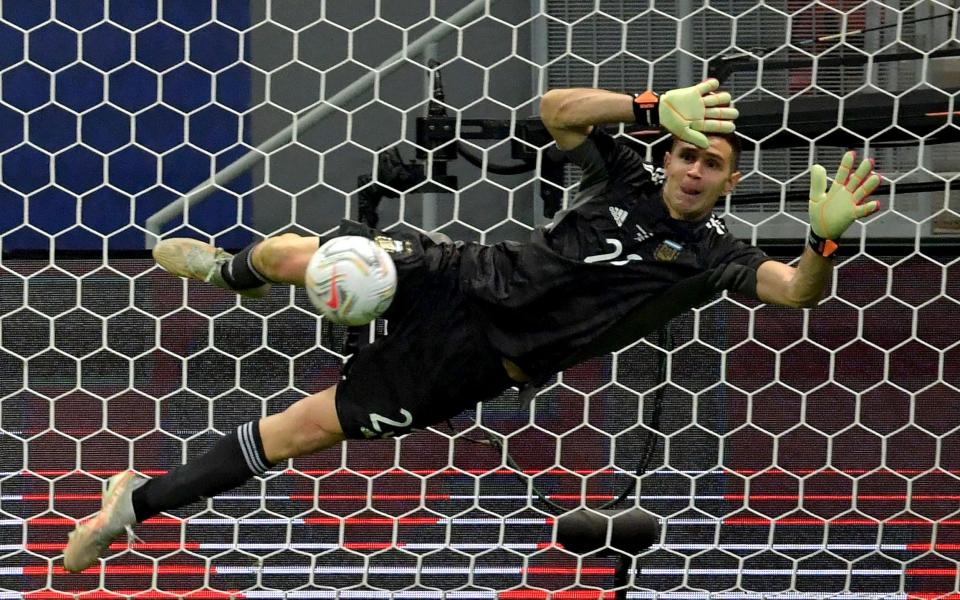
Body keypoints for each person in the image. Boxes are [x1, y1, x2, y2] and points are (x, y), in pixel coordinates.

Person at [63, 79, 881, 572]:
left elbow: (794, 290)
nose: (694, 169)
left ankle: (131, 507)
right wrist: (642, 103)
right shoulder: (627, 174)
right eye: (686, 153)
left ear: (731, 182)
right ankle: (233, 273)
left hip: (480, 362)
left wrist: (826, 240)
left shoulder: (712, 256)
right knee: (304, 256)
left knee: (297, 432)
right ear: (667, 153)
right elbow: (558, 112)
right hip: (462, 275)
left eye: (712, 164)